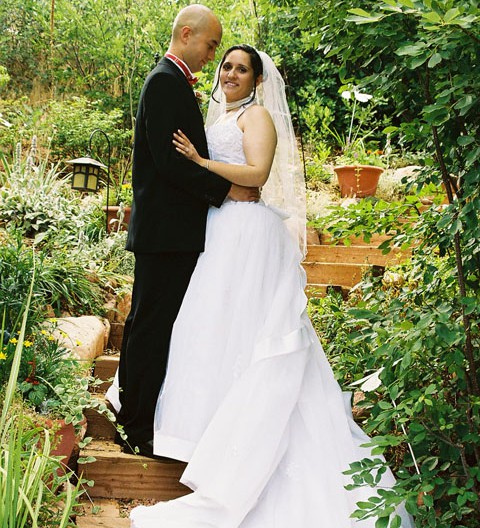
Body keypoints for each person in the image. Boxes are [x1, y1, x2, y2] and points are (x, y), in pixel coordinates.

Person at [129, 45, 414, 527]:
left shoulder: (257, 116)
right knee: (212, 330)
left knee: (248, 334)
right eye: (227, 66)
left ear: (259, 80)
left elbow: (257, 176)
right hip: (218, 230)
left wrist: (201, 162)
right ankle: (206, 437)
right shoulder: (222, 114)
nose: (232, 73)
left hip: (246, 232)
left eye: (242, 68)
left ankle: (241, 449)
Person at [111, 6, 259, 459]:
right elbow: (170, 162)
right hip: (166, 233)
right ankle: (135, 427)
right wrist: (228, 189)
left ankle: (135, 413)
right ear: (188, 34)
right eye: (212, 46)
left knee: (149, 325)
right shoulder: (164, 83)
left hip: (170, 232)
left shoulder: (171, 82)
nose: (213, 55)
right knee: (151, 327)